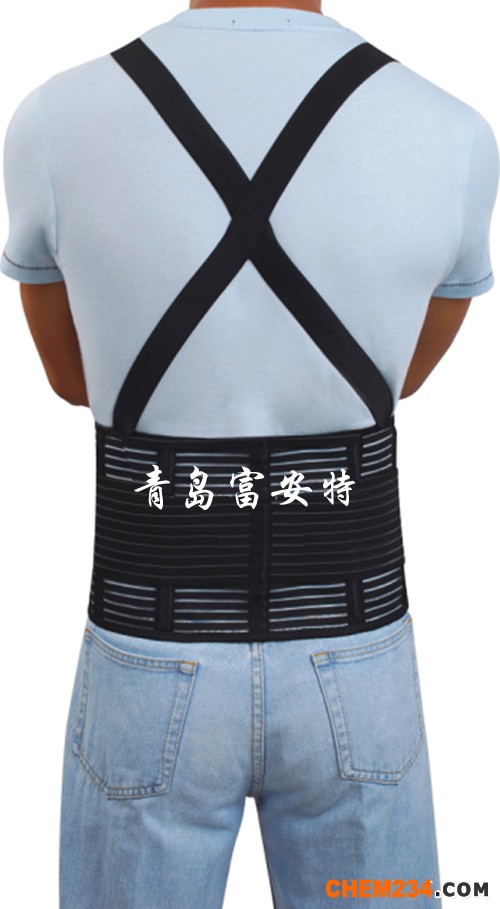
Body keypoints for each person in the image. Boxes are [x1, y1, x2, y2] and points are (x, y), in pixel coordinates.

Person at [1, 1, 498, 907]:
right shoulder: (453, 131)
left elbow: (72, 377)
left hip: (151, 644)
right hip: (356, 652)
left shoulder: (52, 119)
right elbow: (403, 376)